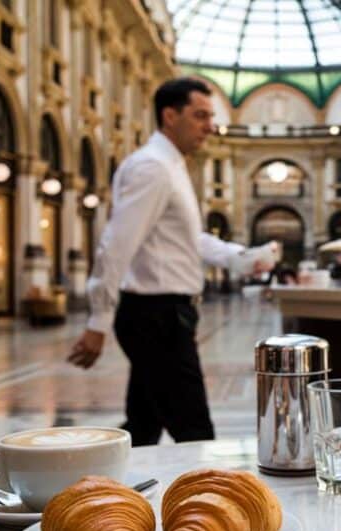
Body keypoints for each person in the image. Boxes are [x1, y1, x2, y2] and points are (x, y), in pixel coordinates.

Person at [67, 78, 273, 446]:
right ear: (169, 115)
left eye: (210, 116)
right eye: (199, 116)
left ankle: (112, 497)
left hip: (162, 315)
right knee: (194, 430)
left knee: (144, 426)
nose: (209, 126)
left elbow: (185, 239)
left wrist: (240, 260)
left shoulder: (171, 166)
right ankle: (205, 502)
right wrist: (98, 319)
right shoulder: (154, 168)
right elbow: (117, 244)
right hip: (157, 317)